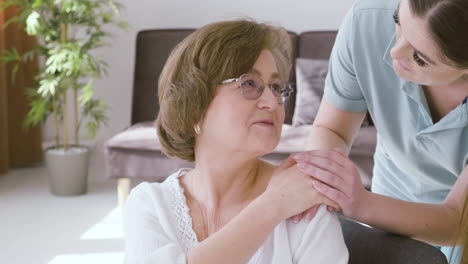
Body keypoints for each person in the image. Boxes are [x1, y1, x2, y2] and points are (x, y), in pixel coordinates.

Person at [122, 19, 348, 264]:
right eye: (249, 84)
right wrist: (272, 206)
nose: (272, 103)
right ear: (195, 104)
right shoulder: (151, 205)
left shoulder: (305, 207)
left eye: (275, 87)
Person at [289, 0, 468, 262]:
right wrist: (321, 181)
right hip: (389, 193)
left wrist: (359, 203)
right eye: (398, 22)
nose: (393, 52)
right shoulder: (367, 22)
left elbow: (456, 220)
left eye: (420, 57)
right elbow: (332, 130)